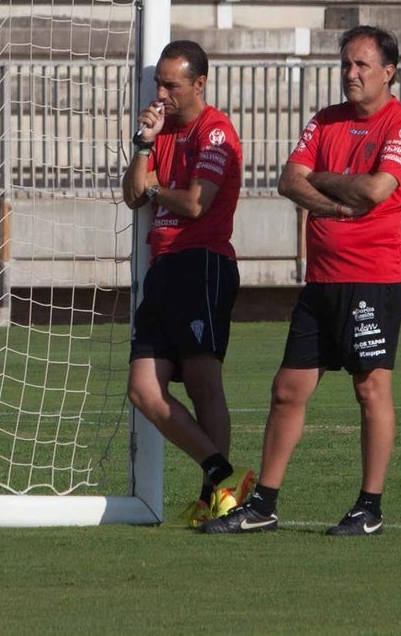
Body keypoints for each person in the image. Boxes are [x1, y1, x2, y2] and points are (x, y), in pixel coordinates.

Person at [201, 25, 401, 537]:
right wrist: (332, 196)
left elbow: (372, 191)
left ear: (388, 72)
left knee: (370, 390)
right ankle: (263, 505)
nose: (351, 73)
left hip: (373, 279)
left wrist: (320, 178)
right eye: (346, 63)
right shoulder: (325, 120)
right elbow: (287, 179)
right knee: (286, 390)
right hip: (322, 280)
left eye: (362, 65)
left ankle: (370, 507)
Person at [121, 39, 254, 528]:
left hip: (202, 263)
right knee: (143, 389)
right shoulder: (160, 132)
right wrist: (143, 145)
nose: (162, 93)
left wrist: (155, 186)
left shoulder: (215, 133)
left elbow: (196, 204)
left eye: (171, 84)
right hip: (164, 268)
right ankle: (223, 473)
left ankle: (213, 497)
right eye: (159, 82)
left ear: (199, 84)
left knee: (202, 382)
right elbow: (134, 196)